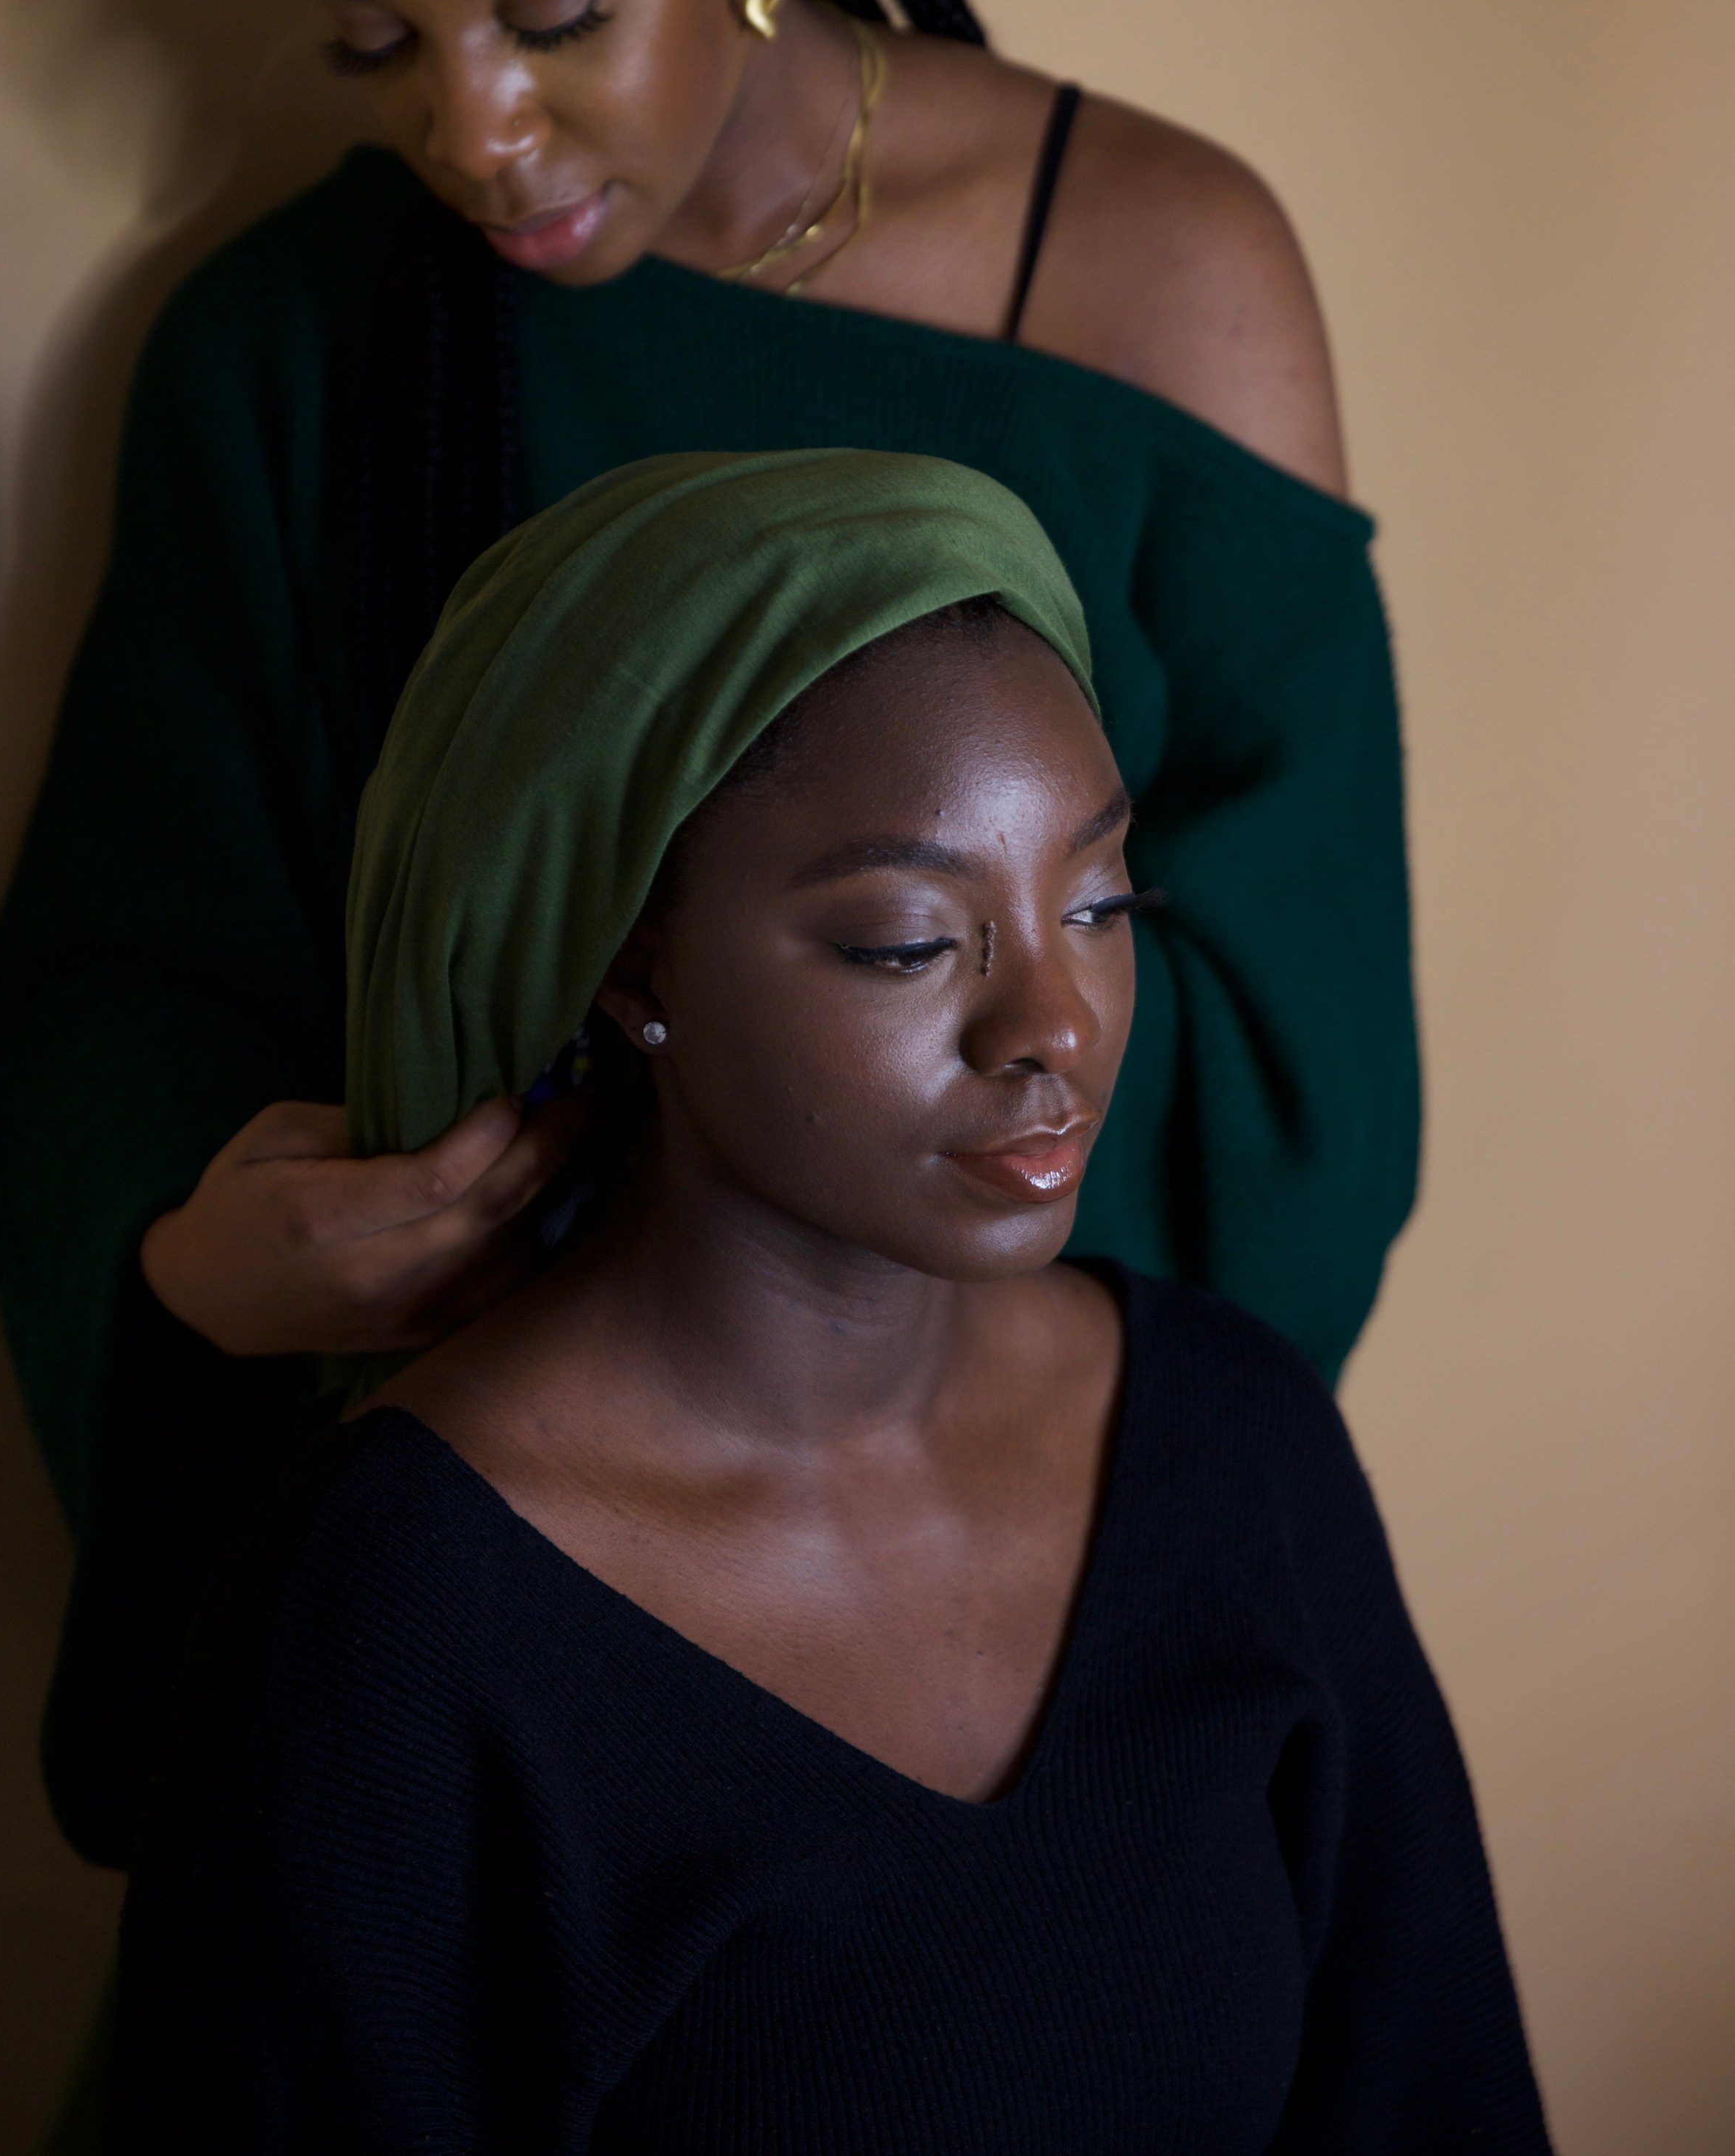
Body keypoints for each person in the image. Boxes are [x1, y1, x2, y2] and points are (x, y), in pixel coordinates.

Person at [0, 0, 1416, 1879]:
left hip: (1006, 1645)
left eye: (552, 9)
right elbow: (129, 982)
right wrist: (220, 1243)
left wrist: (864, 1419)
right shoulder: (294, 357)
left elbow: (1297, 1095)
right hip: (493, 1658)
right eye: (367, 40)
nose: (473, 130)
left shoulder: (1165, 286)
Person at [107, 452, 1541, 2155]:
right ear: (632, 960)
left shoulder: (1234, 1444)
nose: (1056, 1028)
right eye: (907, 943)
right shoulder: (404, 1616)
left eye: (1096, 903)